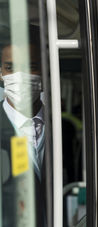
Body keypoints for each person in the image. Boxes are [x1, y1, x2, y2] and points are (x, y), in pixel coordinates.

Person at [0, 24, 46, 226]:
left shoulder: (63, 129)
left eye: (31, 66)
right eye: (10, 67)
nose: (20, 76)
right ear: (0, 72)